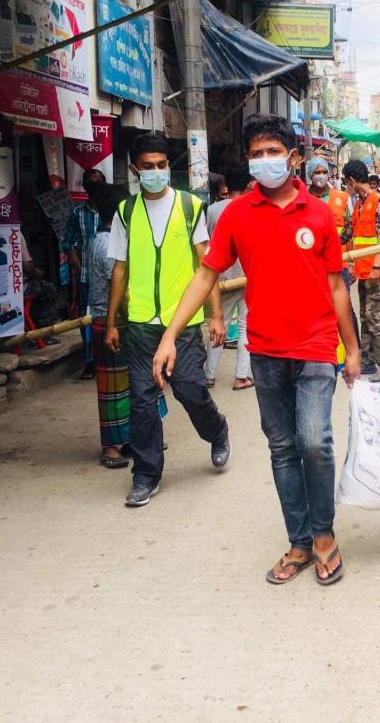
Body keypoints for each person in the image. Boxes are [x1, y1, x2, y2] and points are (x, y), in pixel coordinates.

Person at [153, 114, 360, 586]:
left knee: (315, 442)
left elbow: (337, 286)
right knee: (283, 448)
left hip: (314, 348)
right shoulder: (237, 215)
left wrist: (352, 349)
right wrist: (170, 334)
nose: (264, 161)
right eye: (256, 153)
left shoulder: (320, 214)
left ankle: (324, 535)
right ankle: (300, 542)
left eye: (273, 152)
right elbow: (206, 275)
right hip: (264, 351)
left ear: (295, 158)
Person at [105, 132, 230, 507]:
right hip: (141, 325)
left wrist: (216, 315)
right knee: (142, 402)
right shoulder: (125, 212)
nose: (156, 172)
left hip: (185, 324)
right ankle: (145, 474)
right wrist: (112, 321)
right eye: (148, 167)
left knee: (191, 390)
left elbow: (207, 266)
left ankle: (218, 430)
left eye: (162, 166)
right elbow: (119, 270)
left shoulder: (192, 207)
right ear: (134, 170)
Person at [339, 159, 380, 383]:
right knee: (365, 316)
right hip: (364, 270)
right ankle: (367, 361)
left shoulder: (378, 202)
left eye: (346, 182)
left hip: (377, 270)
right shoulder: (359, 203)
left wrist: (374, 267)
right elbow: (347, 234)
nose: (346, 187)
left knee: (374, 316)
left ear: (352, 180)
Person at [86, 185, 131, 469]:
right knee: (112, 388)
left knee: (130, 385)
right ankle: (110, 447)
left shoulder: (111, 239)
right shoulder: (105, 244)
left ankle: (128, 438)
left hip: (120, 320)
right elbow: (119, 283)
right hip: (109, 320)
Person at [205, 164, 253, 391]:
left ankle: (209, 376)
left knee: (218, 325)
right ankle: (241, 376)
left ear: (226, 185)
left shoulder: (213, 210)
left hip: (221, 277)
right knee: (245, 327)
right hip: (248, 276)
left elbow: (208, 243)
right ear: (247, 185)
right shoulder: (252, 207)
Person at [308, 156, 360, 345]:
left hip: (340, 263)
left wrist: (352, 262)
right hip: (311, 264)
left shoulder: (342, 198)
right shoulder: (302, 198)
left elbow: (350, 230)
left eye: (323, 172)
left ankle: (354, 349)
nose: (321, 176)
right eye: (316, 172)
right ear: (309, 175)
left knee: (344, 306)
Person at [64, 169, 104, 379]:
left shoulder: (114, 211)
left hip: (109, 275)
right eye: (90, 184)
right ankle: (90, 361)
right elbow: (67, 240)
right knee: (86, 320)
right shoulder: (78, 213)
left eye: (98, 184)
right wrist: (72, 255)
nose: (94, 187)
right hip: (86, 275)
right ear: (85, 187)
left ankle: (110, 357)